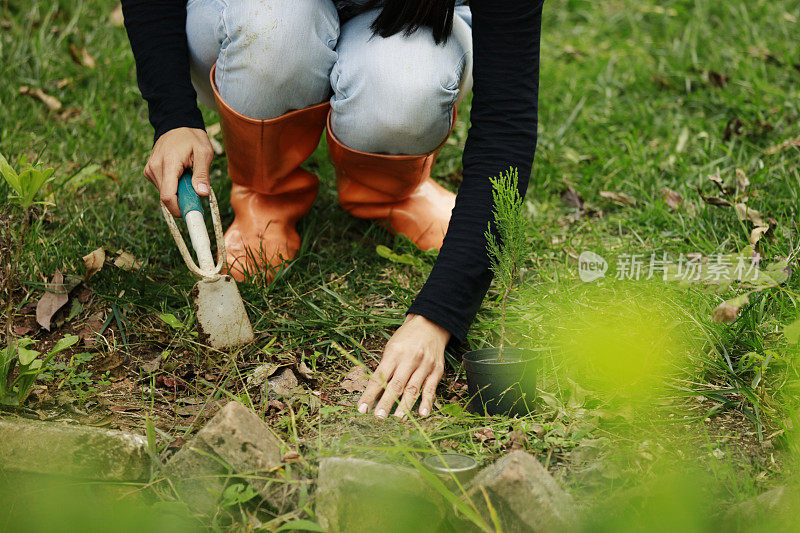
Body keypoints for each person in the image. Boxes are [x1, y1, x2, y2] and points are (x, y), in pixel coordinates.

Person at [121, 0, 543, 420]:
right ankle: (267, 194)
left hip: (404, 17)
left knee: (410, 84)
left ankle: (387, 192)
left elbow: (506, 126)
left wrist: (438, 317)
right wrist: (173, 118)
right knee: (275, 28)